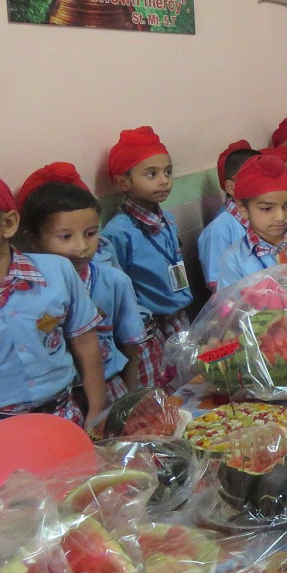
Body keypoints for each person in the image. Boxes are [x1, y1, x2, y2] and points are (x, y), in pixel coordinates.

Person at [19, 172, 147, 403]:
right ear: (34, 240)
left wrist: (128, 400)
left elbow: (130, 348)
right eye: (66, 237)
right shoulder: (29, 292)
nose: (81, 247)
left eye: (90, 234)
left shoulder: (114, 282)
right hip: (61, 401)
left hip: (110, 389)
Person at [0, 172, 104, 424]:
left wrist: (97, 408)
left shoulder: (57, 271)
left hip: (62, 412)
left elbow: (85, 343)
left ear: (8, 224)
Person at [101, 127, 192, 389]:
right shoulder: (118, 232)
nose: (164, 180)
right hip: (151, 330)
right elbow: (118, 287)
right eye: (151, 174)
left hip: (178, 319)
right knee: (158, 392)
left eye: (167, 172)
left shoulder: (167, 220)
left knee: (187, 386)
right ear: (123, 182)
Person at [216, 155, 287, 288]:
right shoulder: (233, 261)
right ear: (243, 209)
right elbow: (230, 306)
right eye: (267, 208)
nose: (280, 216)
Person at [197, 140, 258, 294]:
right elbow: (218, 290)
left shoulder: (260, 221)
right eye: (255, 180)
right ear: (231, 187)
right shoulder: (220, 229)